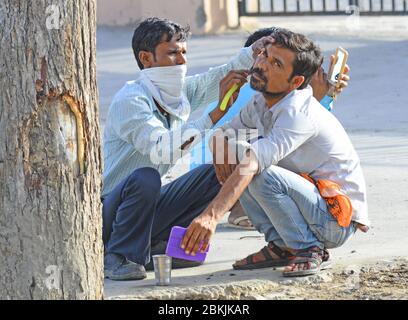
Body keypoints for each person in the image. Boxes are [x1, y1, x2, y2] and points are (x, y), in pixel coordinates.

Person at [180, 29, 369, 277]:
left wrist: (211, 216)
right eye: (265, 56)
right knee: (236, 152)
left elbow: (252, 164)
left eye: (276, 64)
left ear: (296, 82)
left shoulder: (297, 113)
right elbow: (225, 132)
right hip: (310, 203)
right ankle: (282, 245)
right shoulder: (261, 101)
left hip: (335, 219)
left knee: (256, 169)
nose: (261, 65)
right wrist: (218, 143)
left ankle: (307, 248)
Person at [102, 17, 267, 281]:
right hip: (111, 211)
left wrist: (253, 51)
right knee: (146, 177)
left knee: (216, 173)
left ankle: (155, 244)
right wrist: (215, 115)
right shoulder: (131, 99)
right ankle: (118, 256)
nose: (181, 61)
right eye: (172, 53)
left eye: (183, 53)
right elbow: (161, 150)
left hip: (148, 208)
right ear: (146, 58)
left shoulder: (177, 93)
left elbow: (218, 77)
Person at [189, 27, 351, 229]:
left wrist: (323, 96)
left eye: (277, 63)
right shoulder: (257, 92)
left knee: (263, 155)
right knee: (257, 158)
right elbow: (274, 140)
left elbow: (297, 132)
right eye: (265, 55)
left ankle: (293, 241)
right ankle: (243, 208)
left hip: (210, 177)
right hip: (217, 175)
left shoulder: (274, 93)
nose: (265, 64)